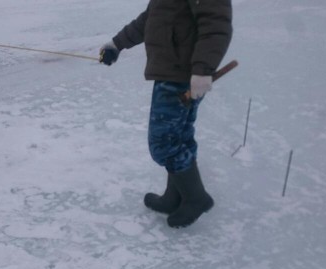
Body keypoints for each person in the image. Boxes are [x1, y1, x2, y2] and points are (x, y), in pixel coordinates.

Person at [99, 0, 233, 228]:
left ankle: (195, 198)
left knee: (163, 143)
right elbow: (150, 18)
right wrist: (116, 44)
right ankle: (176, 196)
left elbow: (216, 24)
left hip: (185, 77)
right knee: (178, 137)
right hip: (173, 72)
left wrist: (202, 69)